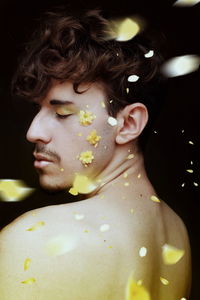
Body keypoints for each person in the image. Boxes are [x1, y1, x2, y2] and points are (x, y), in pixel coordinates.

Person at [0, 8, 191, 300]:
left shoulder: (37, 238)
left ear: (128, 124)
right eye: (39, 109)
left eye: (62, 112)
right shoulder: (176, 233)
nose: (33, 132)